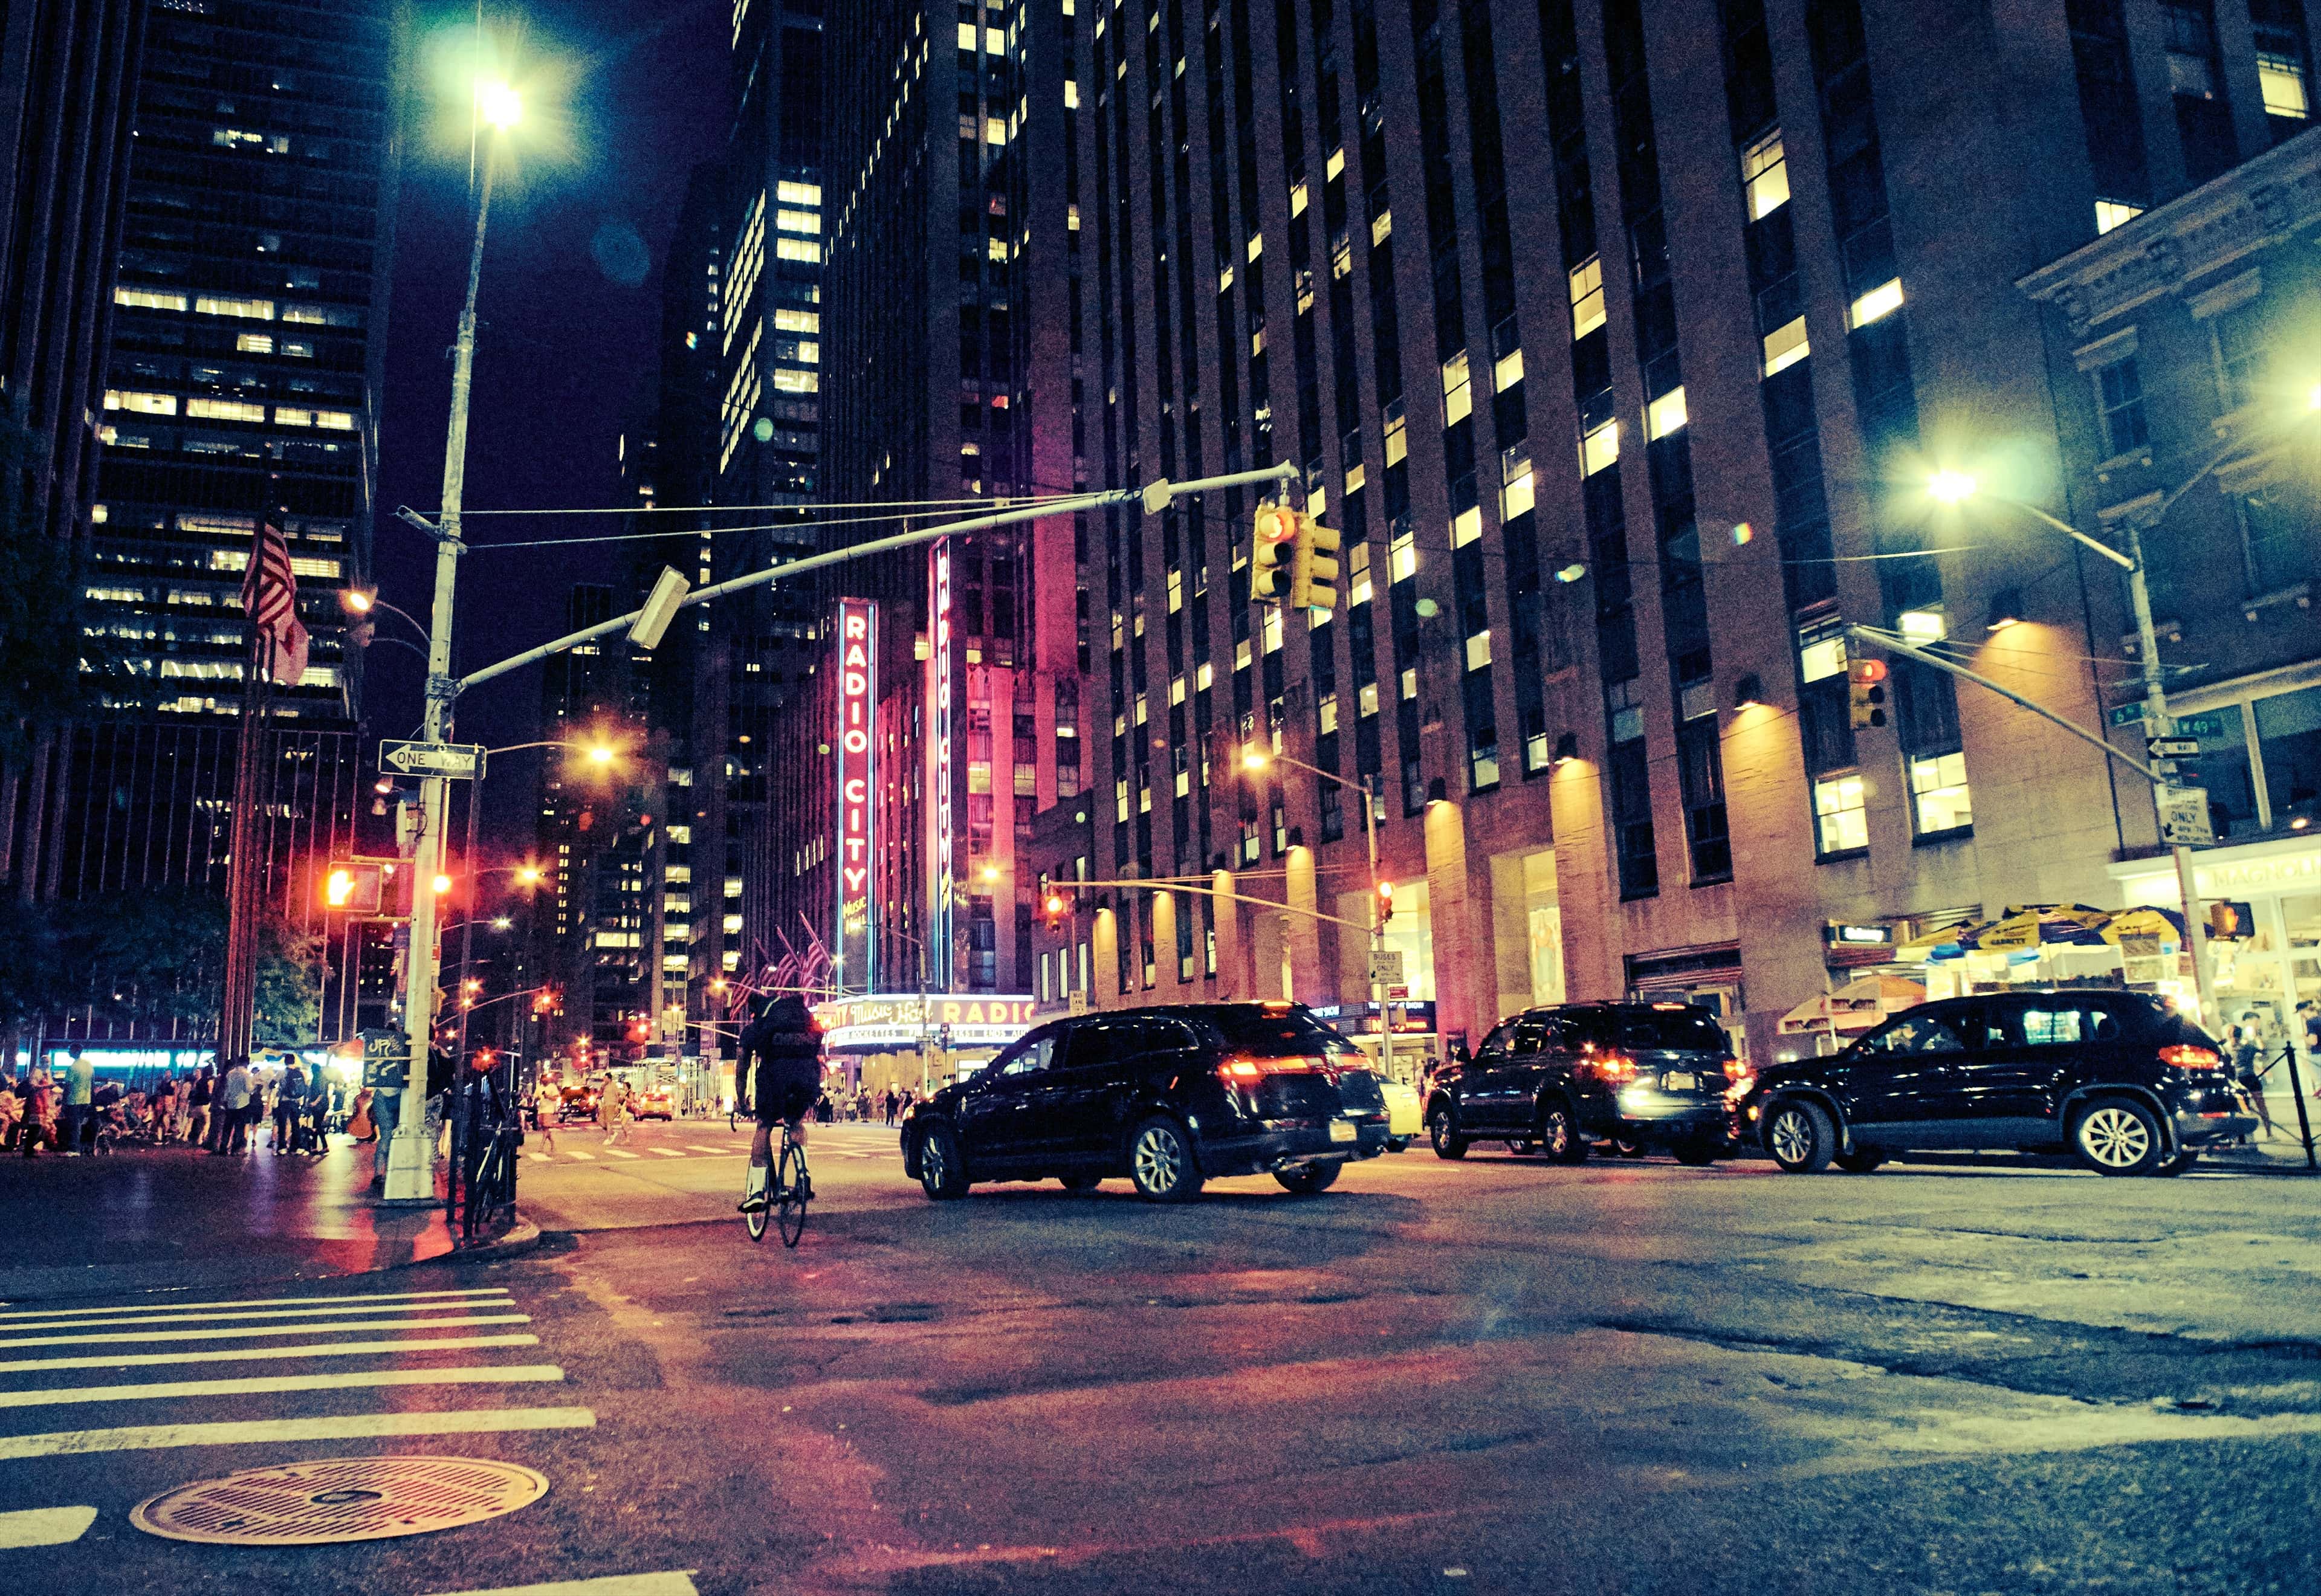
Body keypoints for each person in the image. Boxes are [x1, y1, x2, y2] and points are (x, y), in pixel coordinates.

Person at [736, 993, 822, 1213]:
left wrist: (741, 1102)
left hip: (775, 1079)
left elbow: (742, 1069)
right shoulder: (803, 1022)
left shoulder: (757, 1028)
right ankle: (803, 1176)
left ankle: (757, 1192)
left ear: (756, 1012)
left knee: (764, 1126)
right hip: (807, 1077)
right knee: (796, 1124)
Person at [274, 1062, 305, 1155]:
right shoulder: (299, 1073)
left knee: (282, 1124)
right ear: (294, 1062)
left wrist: (279, 1087)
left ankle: (282, 1147)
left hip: (284, 1101)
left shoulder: (282, 1072)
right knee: (295, 1124)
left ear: (285, 1062)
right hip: (295, 1102)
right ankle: (296, 1147)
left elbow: (272, 1084)